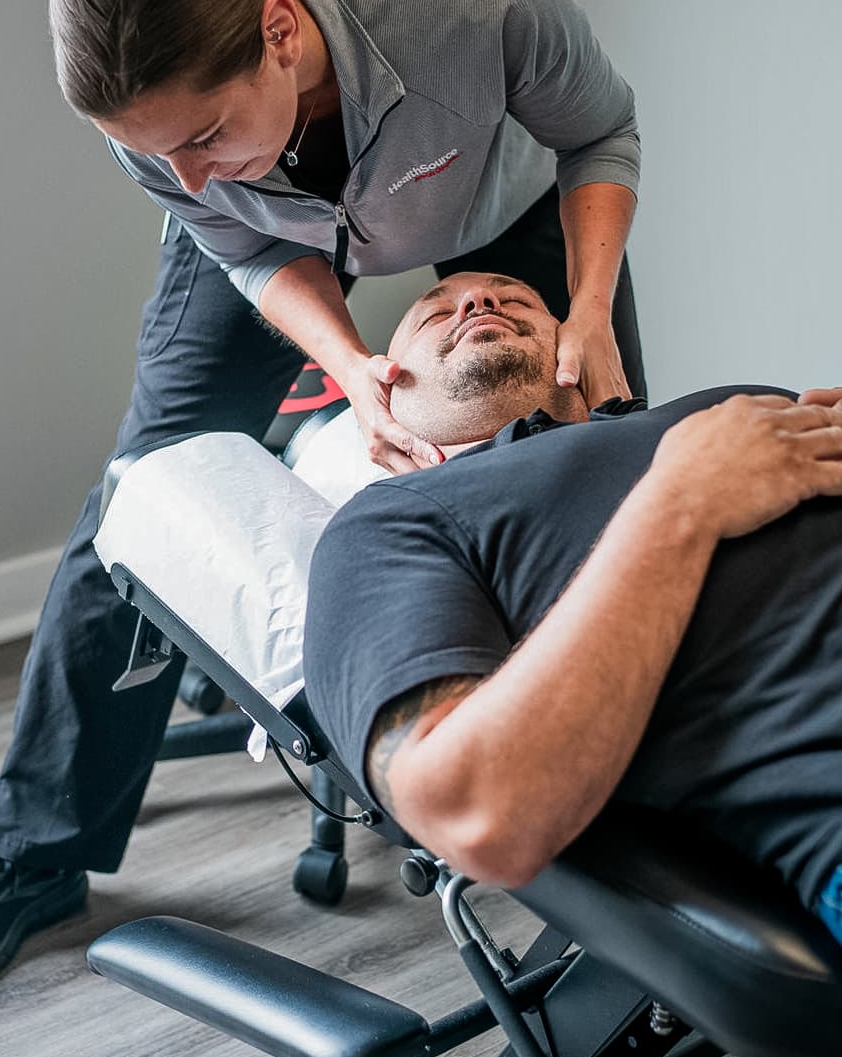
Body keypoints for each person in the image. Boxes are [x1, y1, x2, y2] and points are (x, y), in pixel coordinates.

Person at [0, 0, 647, 983]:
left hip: (499, 204)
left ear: (282, 32)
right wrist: (350, 366)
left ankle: (635, 837)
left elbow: (599, 131)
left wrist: (590, 309)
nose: (177, 178)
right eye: (156, 158)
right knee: (144, 493)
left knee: (601, 458)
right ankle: (30, 849)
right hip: (272, 232)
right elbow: (229, 234)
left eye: (198, 136)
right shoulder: (164, 131)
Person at [303, 272, 842, 938]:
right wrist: (685, 499)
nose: (477, 302)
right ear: (384, 398)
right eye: (433, 315)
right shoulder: (387, 525)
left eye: (516, 297)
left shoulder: (730, 408)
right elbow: (474, 811)